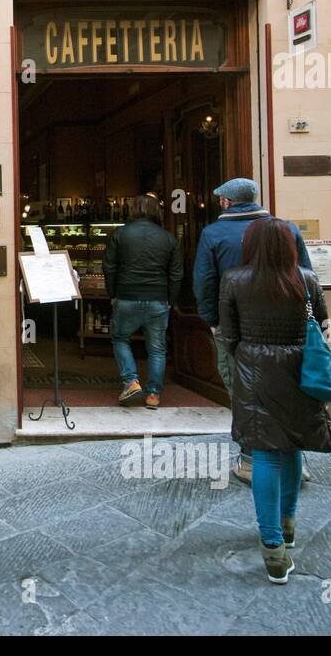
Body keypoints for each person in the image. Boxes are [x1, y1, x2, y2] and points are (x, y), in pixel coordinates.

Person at [217, 217, 331, 584]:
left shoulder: (234, 280)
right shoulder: (306, 279)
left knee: (266, 451)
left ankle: (272, 548)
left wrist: (251, 356)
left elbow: (230, 335)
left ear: (250, 245)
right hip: (300, 370)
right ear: (289, 245)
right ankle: (287, 528)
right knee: (292, 445)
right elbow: (320, 322)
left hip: (255, 370)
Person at [193, 178, 312, 483]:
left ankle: (249, 460)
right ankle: (295, 461)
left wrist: (212, 320)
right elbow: (307, 276)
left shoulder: (214, 233)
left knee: (242, 391)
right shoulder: (287, 229)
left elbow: (204, 281)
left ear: (226, 202)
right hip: (288, 328)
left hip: (237, 326)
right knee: (289, 390)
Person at [103, 194, 183, 409]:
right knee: (157, 348)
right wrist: (170, 300)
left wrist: (112, 294)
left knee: (120, 338)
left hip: (127, 296)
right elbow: (176, 274)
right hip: (158, 298)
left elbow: (109, 267)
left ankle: (131, 381)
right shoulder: (168, 238)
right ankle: (153, 395)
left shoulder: (120, 234)